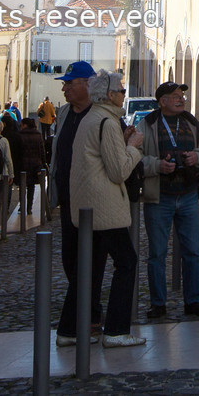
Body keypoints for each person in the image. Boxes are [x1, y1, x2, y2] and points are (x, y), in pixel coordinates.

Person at [66, 69, 146, 348]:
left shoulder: (93, 118)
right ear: (110, 95)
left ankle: (69, 330)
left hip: (88, 205)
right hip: (104, 207)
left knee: (87, 268)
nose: (124, 93)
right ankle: (115, 330)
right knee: (126, 262)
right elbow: (118, 170)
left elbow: (103, 158)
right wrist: (134, 147)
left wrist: (122, 143)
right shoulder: (107, 122)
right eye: (121, 90)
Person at [138, 81, 199, 319]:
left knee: (193, 252)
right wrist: (157, 165)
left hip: (189, 195)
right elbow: (134, 158)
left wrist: (196, 157)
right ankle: (158, 304)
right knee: (157, 253)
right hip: (159, 197)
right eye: (175, 96)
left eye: (182, 95)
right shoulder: (147, 125)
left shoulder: (192, 123)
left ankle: (193, 301)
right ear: (162, 102)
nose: (181, 99)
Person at [48, 60, 101, 346]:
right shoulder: (65, 113)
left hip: (93, 202)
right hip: (68, 200)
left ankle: (85, 321)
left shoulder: (102, 115)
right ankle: (87, 317)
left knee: (89, 262)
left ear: (87, 85)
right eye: (65, 83)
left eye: (70, 82)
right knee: (70, 260)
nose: (65, 87)